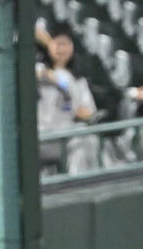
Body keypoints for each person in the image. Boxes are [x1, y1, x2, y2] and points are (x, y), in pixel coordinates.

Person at [35, 24, 100, 173]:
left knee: (87, 137)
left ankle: (79, 184)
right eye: (58, 44)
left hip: (66, 137)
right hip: (40, 137)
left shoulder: (78, 80)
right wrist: (48, 75)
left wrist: (86, 114)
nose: (61, 49)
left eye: (66, 44)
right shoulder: (39, 70)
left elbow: (89, 111)